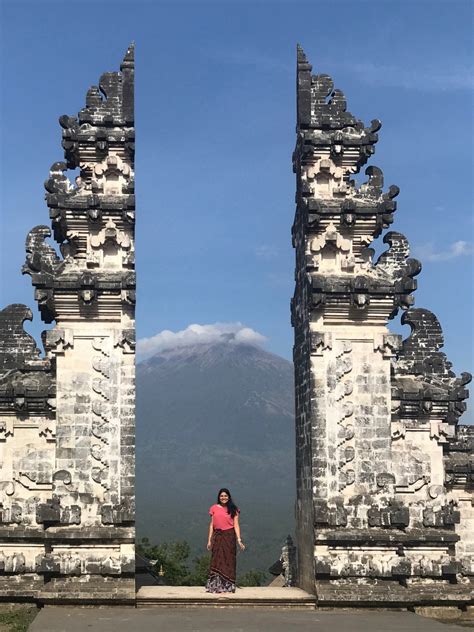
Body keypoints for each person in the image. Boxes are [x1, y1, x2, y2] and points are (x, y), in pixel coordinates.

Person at [206, 488, 245, 593]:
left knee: (229, 560)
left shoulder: (234, 509)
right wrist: (209, 540)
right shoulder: (214, 508)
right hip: (218, 536)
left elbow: (236, 525)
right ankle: (215, 586)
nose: (224, 498)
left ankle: (227, 585)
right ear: (219, 497)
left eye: (225, 496)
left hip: (229, 536)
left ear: (229, 497)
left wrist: (239, 539)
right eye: (222, 496)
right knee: (216, 560)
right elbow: (212, 525)